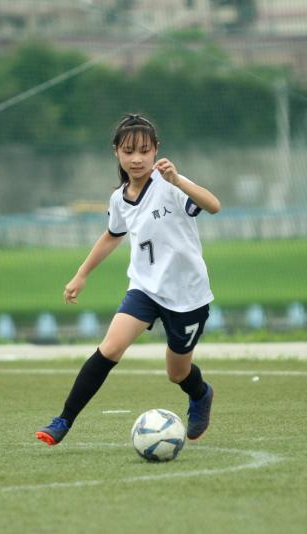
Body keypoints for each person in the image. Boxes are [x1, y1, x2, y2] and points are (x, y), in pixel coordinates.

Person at [36, 114, 221, 446]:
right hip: (145, 288)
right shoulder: (119, 198)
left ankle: (201, 393)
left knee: (177, 372)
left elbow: (214, 206)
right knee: (110, 348)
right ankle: (63, 420)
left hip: (187, 295)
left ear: (156, 151)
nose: (137, 159)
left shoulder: (171, 184)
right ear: (116, 153)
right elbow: (111, 236)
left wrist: (179, 180)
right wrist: (81, 274)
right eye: (128, 151)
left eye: (144, 151)